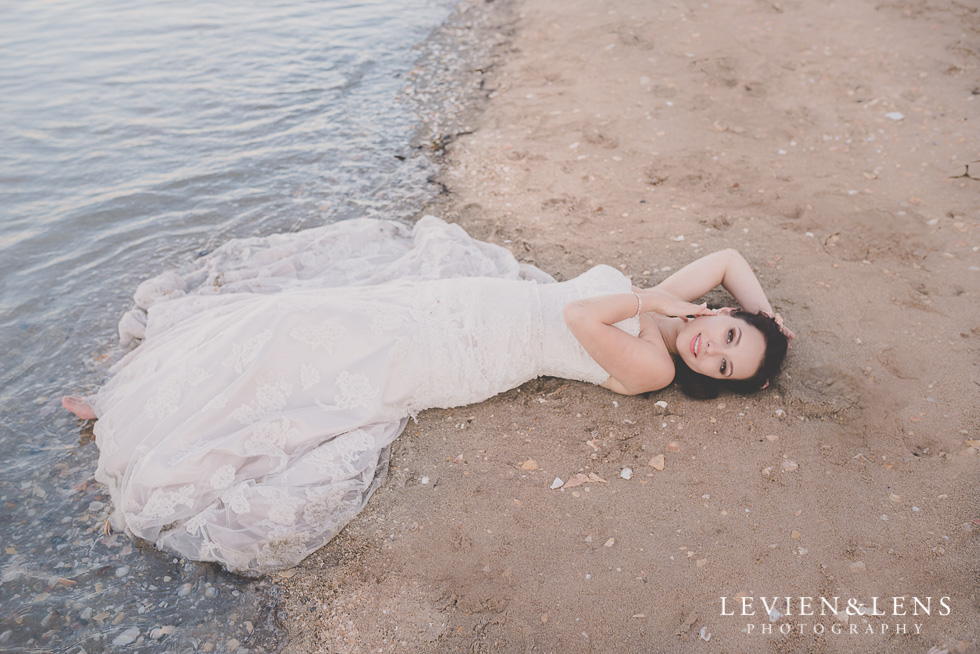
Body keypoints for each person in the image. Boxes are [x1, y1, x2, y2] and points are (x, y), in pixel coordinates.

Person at [62, 216, 791, 574]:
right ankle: (142, 392)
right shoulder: (686, 314)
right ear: (726, 315)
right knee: (296, 316)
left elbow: (576, 315)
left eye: (724, 368)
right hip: (462, 303)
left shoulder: (654, 368)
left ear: (704, 381)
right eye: (730, 337)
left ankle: (144, 430)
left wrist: (653, 295)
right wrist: (772, 320)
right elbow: (729, 256)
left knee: (316, 362)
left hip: (462, 352)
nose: (713, 351)